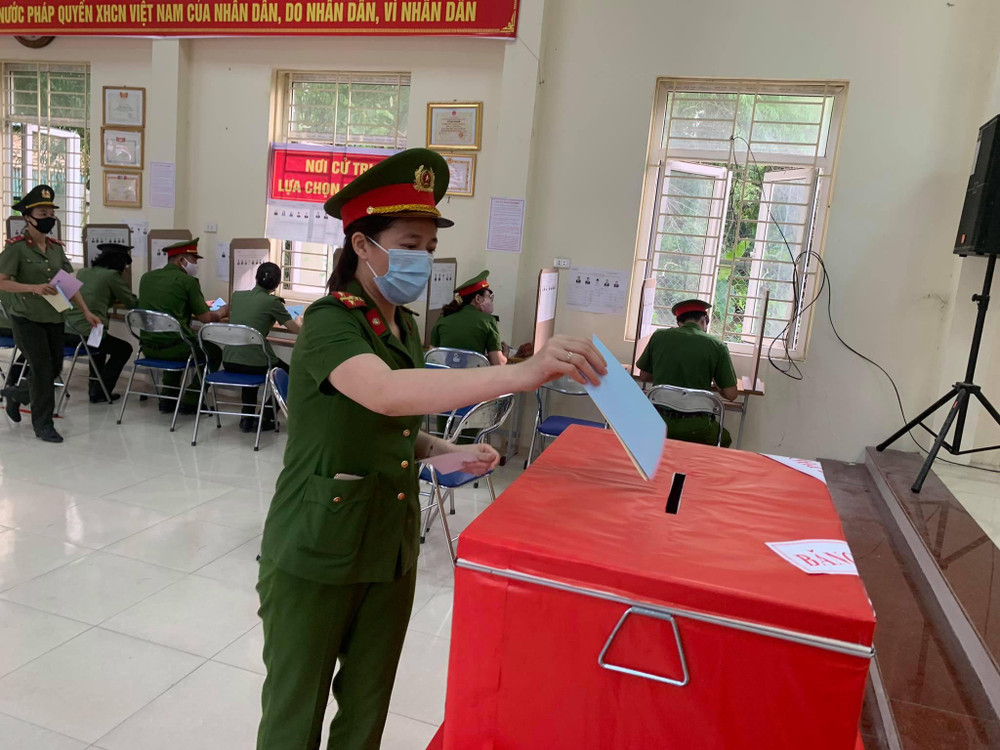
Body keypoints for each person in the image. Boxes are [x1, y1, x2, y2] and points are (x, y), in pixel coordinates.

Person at [256, 148, 606, 750]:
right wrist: (519, 374)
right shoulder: (330, 322)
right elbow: (385, 392)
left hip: (388, 545)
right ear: (362, 245)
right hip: (317, 545)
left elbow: (390, 428)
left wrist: (447, 451)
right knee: (296, 714)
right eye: (409, 244)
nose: (422, 258)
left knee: (367, 707)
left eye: (430, 246)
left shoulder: (403, 326)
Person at [0, 185, 101, 442]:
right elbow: (2, 281)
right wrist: (32, 287)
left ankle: (16, 394)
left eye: (51, 213)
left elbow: (67, 283)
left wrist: (86, 312)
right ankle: (43, 424)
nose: (49, 218)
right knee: (43, 369)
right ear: (28, 217)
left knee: (54, 367)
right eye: (42, 214)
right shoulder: (16, 248)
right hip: (26, 318)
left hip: (54, 317)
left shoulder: (56, 248)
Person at [136, 238, 229, 414]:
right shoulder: (188, 281)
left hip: (147, 347)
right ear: (181, 260)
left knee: (178, 340)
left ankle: (168, 399)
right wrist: (223, 311)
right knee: (213, 352)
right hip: (176, 348)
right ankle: (192, 400)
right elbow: (205, 318)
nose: (196, 265)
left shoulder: (146, 278)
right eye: (193, 260)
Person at [637, 298, 738, 447]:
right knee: (725, 438)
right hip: (698, 428)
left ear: (679, 322)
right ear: (704, 320)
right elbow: (731, 394)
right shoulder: (717, 345)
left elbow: (644, 376)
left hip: (658, 422)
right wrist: (717, 384)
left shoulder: (658, 336)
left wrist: (665, 373)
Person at [222, 261, 302, 433]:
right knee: (291, 374)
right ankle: (266, 416)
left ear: (256, 278)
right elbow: (297, 330)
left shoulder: (237, 296)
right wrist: (299, 320)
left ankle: (247, 418)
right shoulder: (273, 302)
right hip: (255, 362)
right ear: (277, 284)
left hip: (229, 359)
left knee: (249, 361)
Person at [64, 243, 138, 403]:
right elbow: (131, 302)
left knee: (99, 347)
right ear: (119, 262)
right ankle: (100, 391)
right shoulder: (112, 276)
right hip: (87, 332)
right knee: (124, 349)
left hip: (67, 330)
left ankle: (96, 389)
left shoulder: (83, 272)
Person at [430, 270, 508, 365]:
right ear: (478, 298)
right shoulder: (488, 321)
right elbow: (498, 363)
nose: (491, 301)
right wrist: (506, 354)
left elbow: (432, 357)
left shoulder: (443, 318)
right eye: (489, 297)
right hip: (473, 374)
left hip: (446, 373)